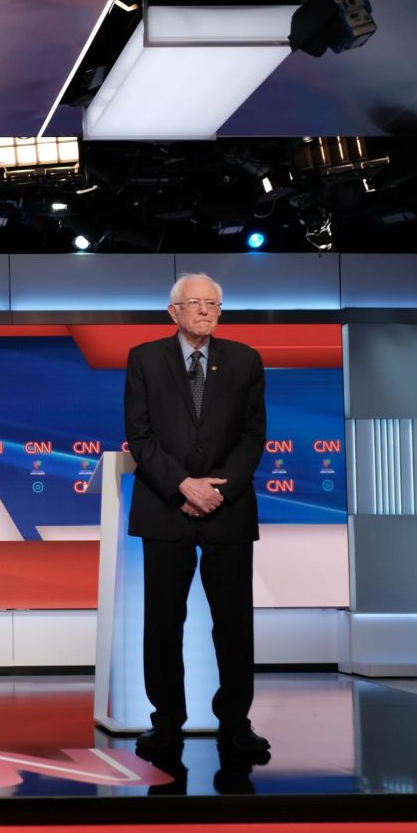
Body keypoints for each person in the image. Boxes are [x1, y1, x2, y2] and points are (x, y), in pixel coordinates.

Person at [124, 272, 270, 758]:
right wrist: (183, 485)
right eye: (195, 303)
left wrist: (216, 493)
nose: (206, 311)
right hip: (166, 508)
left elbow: (253, 437)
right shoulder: (144, 359)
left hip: (226, 510)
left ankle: (235, 724)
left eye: (214, 304)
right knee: (164, 622)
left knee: (232, 624)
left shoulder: (246, 360)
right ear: (174, 311)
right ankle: (166, 723)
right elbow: (140, 438)